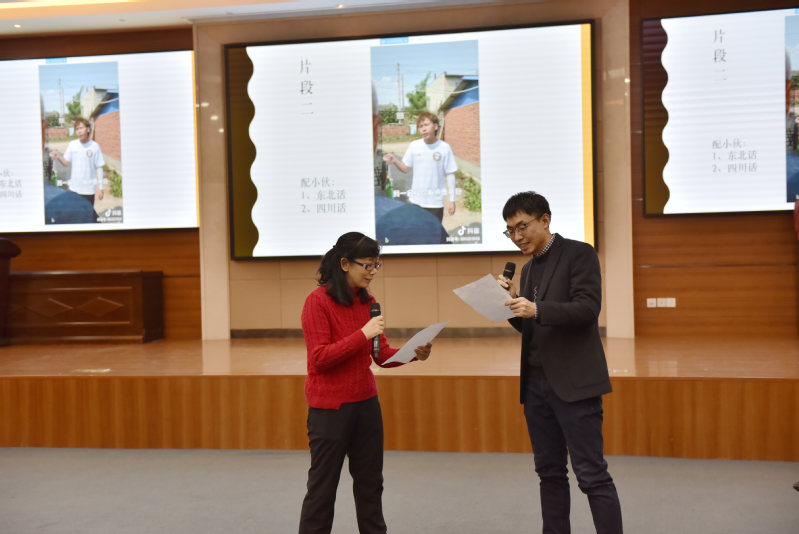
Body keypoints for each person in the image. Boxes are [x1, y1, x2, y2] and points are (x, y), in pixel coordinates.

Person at [497, 191, 622, 534]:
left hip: (574, 384)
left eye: (522, 227)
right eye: (510, 231)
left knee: (592, 476)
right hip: (536, 387)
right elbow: (532, 327)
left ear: (545, 220)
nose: (517, 236)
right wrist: (511, 306)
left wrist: (536, 308)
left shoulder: (579, 254)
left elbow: (587, 309)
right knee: (549, 474)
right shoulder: (529, 268)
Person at [298, 231, 433, 534]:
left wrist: (413, 353)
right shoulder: (316, 302)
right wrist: (362, 334)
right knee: (322, 489)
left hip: (366, 404)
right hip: (330, 409)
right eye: (367, 265)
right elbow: (319, 358)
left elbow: (380, 355)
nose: (372, 272)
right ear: (345, 263)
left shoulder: (368, 302)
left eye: (376, 265)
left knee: (371, 485)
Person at [383, 112, 457, 221]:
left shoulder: (445, 147)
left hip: (435, 203)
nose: (423, 129)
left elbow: (450, 174)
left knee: (433, 231)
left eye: (426, 125)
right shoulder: (414, 145)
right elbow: (405, 168)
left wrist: (452, 200)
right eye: (420, 126)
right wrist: (394, 160)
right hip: (416, 201)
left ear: (436, 126)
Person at [50, 118, 105, 211]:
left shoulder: (95, 146)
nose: (79, 131)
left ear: (88, 129)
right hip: (74, 189)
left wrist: (101, 187)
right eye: (77, 129)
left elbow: (99, 167)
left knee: (87, 215)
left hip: (88, 190)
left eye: (81, 128)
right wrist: (58, 156)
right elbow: (66, 162)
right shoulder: (72, 144)